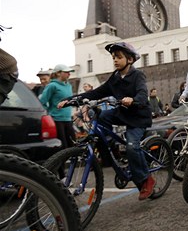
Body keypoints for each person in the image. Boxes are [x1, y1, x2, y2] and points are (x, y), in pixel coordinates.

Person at [58, 42, 154, 200]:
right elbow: (96, 93)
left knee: (131, 146)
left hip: (138, 117)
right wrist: (69, 100)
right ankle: (110, 149)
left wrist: (133, 99)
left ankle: (146, 179)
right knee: (101, 116)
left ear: (129, 60)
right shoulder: (114, 78)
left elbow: (143, 93)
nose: (115, 60)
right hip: (122, 113)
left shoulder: (138, 75)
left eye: (119, 57)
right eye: (113, 57)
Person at [40, 64, 76, 150]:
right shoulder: (52, 86)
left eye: (69, 72)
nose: (69, 74)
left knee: (73, 144)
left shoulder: (69, 85)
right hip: (56, 120)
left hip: (68, 119)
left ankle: (73, 163)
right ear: (58, 73)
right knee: (62, 146)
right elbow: (42, 102)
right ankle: (61, 163)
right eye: (66, 72)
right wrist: (49, 113)